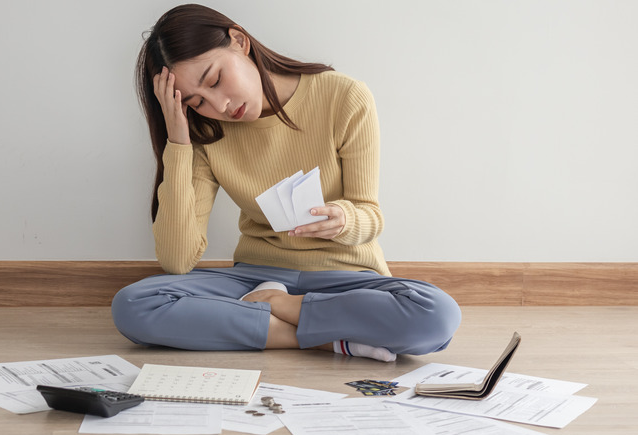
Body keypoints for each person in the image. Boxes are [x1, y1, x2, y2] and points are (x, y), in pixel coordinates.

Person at [112, 4, 461, 362]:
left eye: (215, 79)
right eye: (197, 101)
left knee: (437, 315)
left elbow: (370, 216)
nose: (219, 104)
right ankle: (327, 340)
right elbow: (178, 259)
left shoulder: (342, 97)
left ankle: (277, 311)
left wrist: (343, 218)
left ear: (239, 40)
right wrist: (179, 143)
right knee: (133, 305)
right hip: (255, 279)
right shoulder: (207, 134)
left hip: (346, 278)